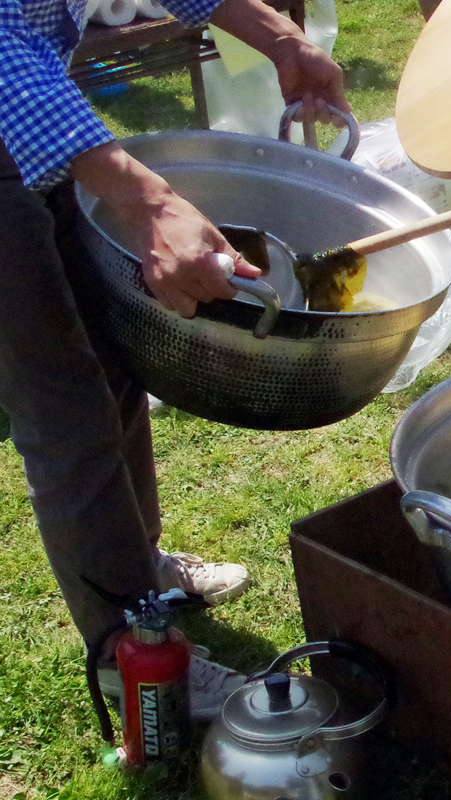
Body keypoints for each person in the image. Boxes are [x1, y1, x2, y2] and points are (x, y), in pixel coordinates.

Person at [0, 0, 349, 719]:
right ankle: (130, 652)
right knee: (62, 403)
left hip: (31, 112)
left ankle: (142, 573)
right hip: (17, 100)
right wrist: (151, 201)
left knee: (116, 354)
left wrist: (282, 37)